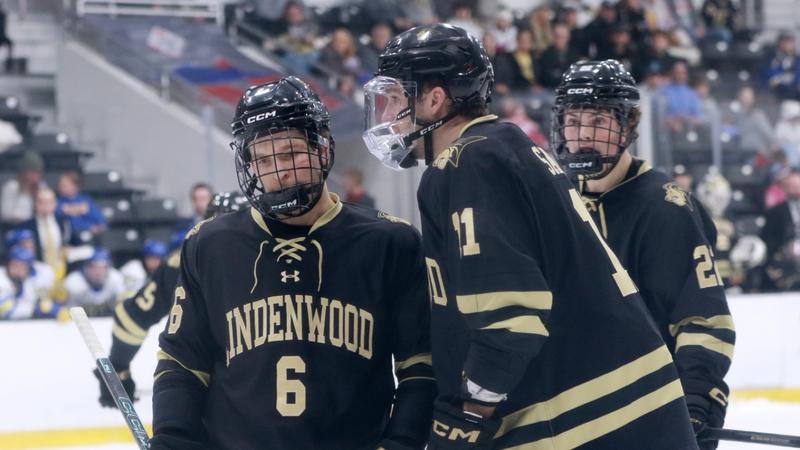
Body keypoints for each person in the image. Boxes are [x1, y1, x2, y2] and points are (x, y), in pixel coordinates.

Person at [363, 24, 697, 449]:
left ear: (434, 99)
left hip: (588, 420)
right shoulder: (507, 147)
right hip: (629, 408)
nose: (387, 115)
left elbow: (510, 320)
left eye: (395, 98)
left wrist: (468, 411)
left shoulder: (467, 163)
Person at [150, 76, 435, 450]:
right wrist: (173, 437)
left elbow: (421, 366)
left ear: (323, 149)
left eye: (290, 153)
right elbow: (182, 362)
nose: (278, 171)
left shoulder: (391, 243)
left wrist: (401, 444)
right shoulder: (210, 244)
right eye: (262, 159)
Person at [551, 59, 736, 450]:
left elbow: (703, 319)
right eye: (573, 120)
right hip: (570, 420)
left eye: (598, 121)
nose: (583, 135)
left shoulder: (666, 208)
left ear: (629, 123)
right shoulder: (553, 202)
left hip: (649, 413)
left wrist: (697, 399)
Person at [96, 193, 248, 409]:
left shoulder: (185, 259)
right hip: (217, 381)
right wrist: (117, 367)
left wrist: (118, 365)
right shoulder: (183, 262)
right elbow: (134, 317)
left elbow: (133, 316)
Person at [0, 246, 59, 320]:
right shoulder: (2, 280)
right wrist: (34, 310)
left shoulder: (26, 282)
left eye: (23, 266)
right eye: (15, 265)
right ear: (8, 265)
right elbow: (6, 311)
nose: (18, 269)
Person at [63, 247, 125, 316]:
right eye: (94, 267)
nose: (99, 272)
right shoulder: (74, 283)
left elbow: (122, 305)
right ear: (86, 267)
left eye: (103, 267)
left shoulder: (115, 279)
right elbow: (68, 311)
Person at [0, 151, 46, 224]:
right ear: (23, 173)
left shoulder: (41, 186)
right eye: (32, 172)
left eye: (38, 172)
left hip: (38, 225)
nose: (36, 175)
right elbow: (6, 213)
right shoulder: (11, 187)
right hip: (15, 226)